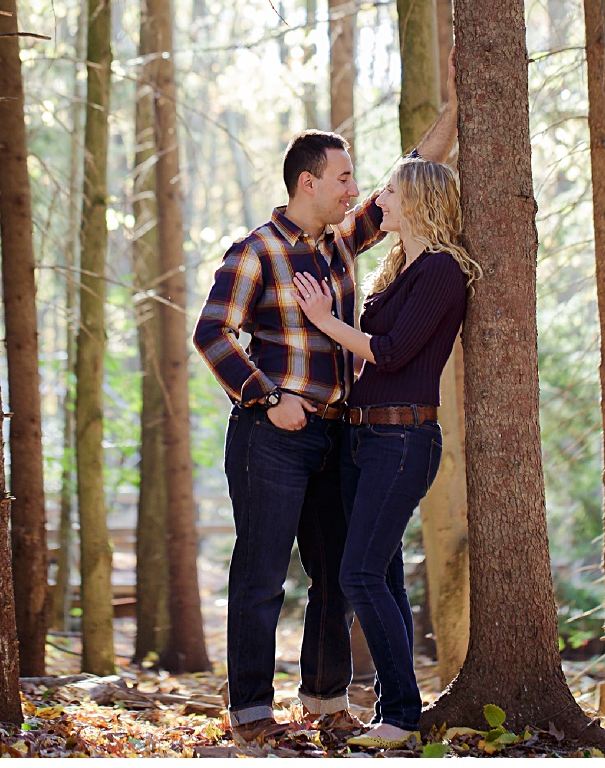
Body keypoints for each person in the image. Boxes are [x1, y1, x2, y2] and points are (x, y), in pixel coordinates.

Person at [194, 95, 455, 747]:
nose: (356, 189)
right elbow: (213, 333)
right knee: (260, 577)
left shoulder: (340, 242)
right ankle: (252, 714)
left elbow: (417, 174)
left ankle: (326, 699)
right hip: (271, 436)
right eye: (343, 177)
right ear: (307, 182)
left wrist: (454, 102)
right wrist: (266, 397)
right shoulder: (255, 251)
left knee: (338, 577)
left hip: (341, 435)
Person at [292, 158, 477, 750]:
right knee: (385, 576)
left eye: (392, 190)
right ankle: (401, 712)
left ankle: (400, 715)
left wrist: (322, 320)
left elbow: (392, 353)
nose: (380, 197)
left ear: (420, 201)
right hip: (362, 438)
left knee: (359, 573)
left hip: (402, 441)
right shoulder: (403, 268)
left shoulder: (444, 273)